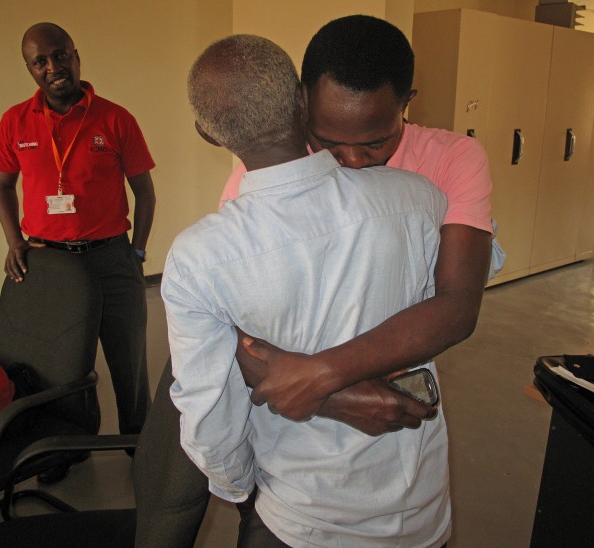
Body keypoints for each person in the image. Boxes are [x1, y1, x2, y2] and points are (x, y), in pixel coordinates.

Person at [163, 34, 450, 546]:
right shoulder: (417, 199)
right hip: (422, 508)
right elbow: (453, 299)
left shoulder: (198, 259)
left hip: (306, 515)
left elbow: (209, 416)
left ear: (208, 134)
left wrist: (239, 486)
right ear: (302, 98)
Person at [224, 14, 504, 429]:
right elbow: (226, 325)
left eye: (376, 142)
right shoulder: (270, 170)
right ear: (301, 100)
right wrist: (331, 398)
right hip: (287, 411)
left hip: (389, 397)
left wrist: (322, 376)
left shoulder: (452, 159)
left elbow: (458, 305)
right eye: (329, 143)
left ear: (407, 102)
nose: (353, 162)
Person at [0, 23, 156, 441]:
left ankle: (139, 443)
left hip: (111, 258)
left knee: (128, 360)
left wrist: (135, 253)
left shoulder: (116, 119)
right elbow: (2, 185)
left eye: (60, 55)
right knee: (59, 365)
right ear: (29, 68)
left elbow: (145, 194)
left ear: (76, 55)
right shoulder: (15, 122)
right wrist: (15, 241)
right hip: (50, 262)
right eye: (40, 61)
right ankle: (68, 444)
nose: (53, 67)